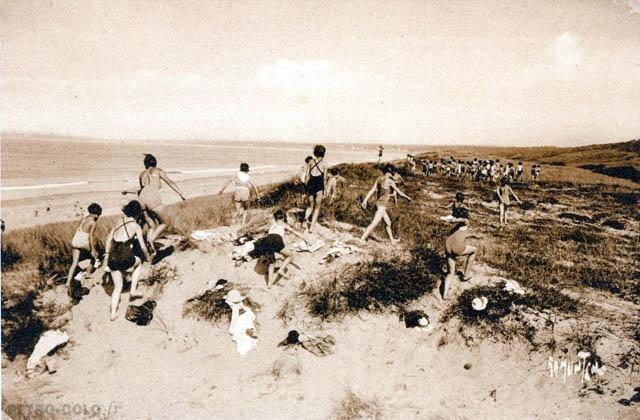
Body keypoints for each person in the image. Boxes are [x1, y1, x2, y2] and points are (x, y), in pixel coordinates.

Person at [123, 154, 186, 252]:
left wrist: (127, 190)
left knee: (151, 225)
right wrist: (181, 193)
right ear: (155, 163)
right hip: (153, 199)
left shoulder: (142, 174)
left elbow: (142, 189)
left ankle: (148, 246)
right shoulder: (158, 171)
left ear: (145, 164)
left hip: (141, 200)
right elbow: (170, 182)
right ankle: (150, 240)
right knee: (166, 222)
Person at [103, 201, 152, 321]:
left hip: (113, 258)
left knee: (117, 287)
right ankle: (133, 290)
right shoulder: (136, 226)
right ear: (138, 213)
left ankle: (113, 314)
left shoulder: (118, 221)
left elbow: (108, 240)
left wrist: (106, 256)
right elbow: (143, 246)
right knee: (139, 262)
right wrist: (148, 257)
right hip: (125, 257)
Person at [248, 209, 309, 288]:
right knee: (290, 255)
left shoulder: (272, 225)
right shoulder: (283, 224)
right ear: (283, 218)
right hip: (276, 239)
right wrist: (304, 237)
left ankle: (269, 284)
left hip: (267, 240)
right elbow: (294, 231)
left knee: (272, 262)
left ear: (275, 218)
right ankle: (281, 269)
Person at [360, 164, 411, 244]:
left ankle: (392, 240)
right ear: (390, 173)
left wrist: (365, 200)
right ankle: (362, 238)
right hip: (382, 206)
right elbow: (399, 193)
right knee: (375, 222)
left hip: (378, 204)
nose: (392, 174)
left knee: (388, 223)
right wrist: (407, 197)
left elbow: (372, 190)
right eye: (392, 173)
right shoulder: (390, 181)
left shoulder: (379, 179)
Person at [441, 207, 479, 300]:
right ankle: (466, 275)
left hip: (448, 246)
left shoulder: (456, 226)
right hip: (456, 248)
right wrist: (452, 219)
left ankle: (444, 295)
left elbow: (453, 233)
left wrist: (449, 219)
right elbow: (462, 219)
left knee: (450, 273)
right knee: (474, 250)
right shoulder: (465, 221)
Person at [66, 203, 102, 296]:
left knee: (74, 263)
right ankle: (88, 273)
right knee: (95, 255)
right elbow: (91, 237)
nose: (98, 217)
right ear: (96, 214)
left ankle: (67, 282)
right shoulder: (93, 222)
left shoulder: (84, 218)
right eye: (98, 215)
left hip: (75, 240)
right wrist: (93, 249)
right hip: (82, 242)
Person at [304, 145, 329, 233]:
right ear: (323, 153)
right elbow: (325, 178)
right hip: (319, 185)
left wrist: (306, 186)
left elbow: (307, 175)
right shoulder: (325, 164)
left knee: (310, 205)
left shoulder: (310, 162)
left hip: (311, 184)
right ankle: (311, 228)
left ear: (315, 153)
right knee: (317, 208)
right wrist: (325, 190)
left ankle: (305, 219)